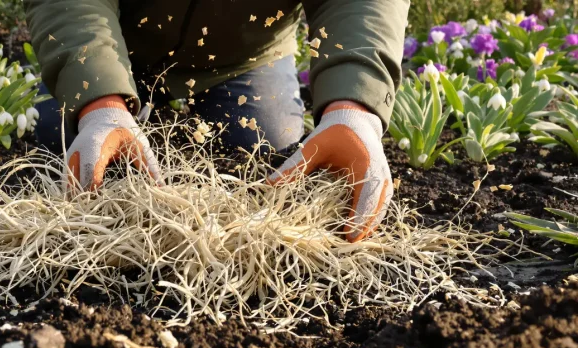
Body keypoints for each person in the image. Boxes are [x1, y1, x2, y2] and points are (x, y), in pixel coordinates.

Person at [24, 0, 409, 242]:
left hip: (245, 57)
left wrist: (354, 109)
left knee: (266, 151)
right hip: (115, 38)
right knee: (54, 136)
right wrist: (99, 103)